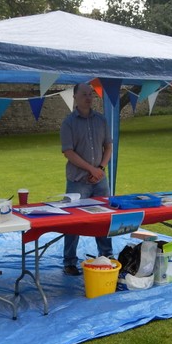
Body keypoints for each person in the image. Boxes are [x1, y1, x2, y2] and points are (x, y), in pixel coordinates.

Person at [60, 82, 113, 275]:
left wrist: (100, 169)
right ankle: (69, 262)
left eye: (91, 94)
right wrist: (92, 169)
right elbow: (68, 152)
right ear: (74, 97)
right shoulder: (68, 123)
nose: (88, 98)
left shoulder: (101, 120)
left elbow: (108, 146)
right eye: (84, 94)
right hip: (77, 181)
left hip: (100, 180)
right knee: (73, 221)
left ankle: (107, 256)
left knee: (104, 219)